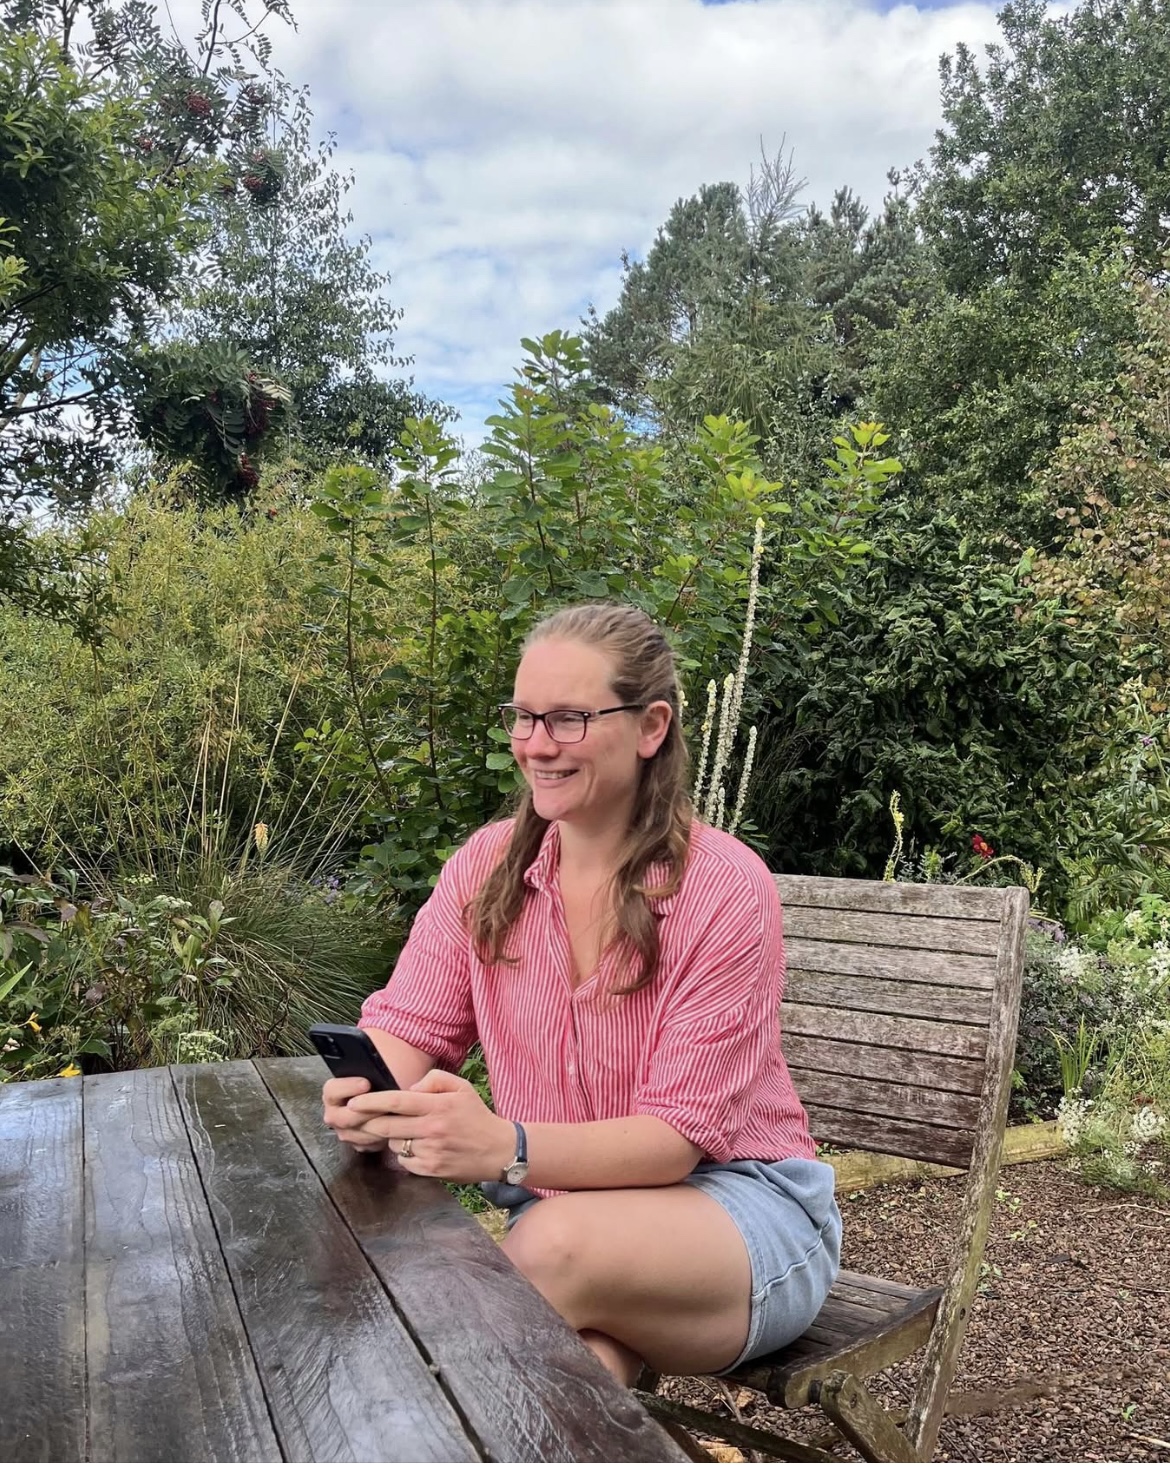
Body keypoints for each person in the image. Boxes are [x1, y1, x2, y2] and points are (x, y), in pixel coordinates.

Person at [322, 602, 840, 1384]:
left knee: (542, 1256)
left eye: (567, 718)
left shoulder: (725, 888)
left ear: (651, 726)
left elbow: (676, 1139)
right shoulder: (488, 867)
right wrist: (369, 1092)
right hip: (565, 1217)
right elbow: (410, 1025)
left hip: (737, 1216)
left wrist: (505, 1146)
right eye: (523, 717)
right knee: (578, 1380)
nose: (535, 745)